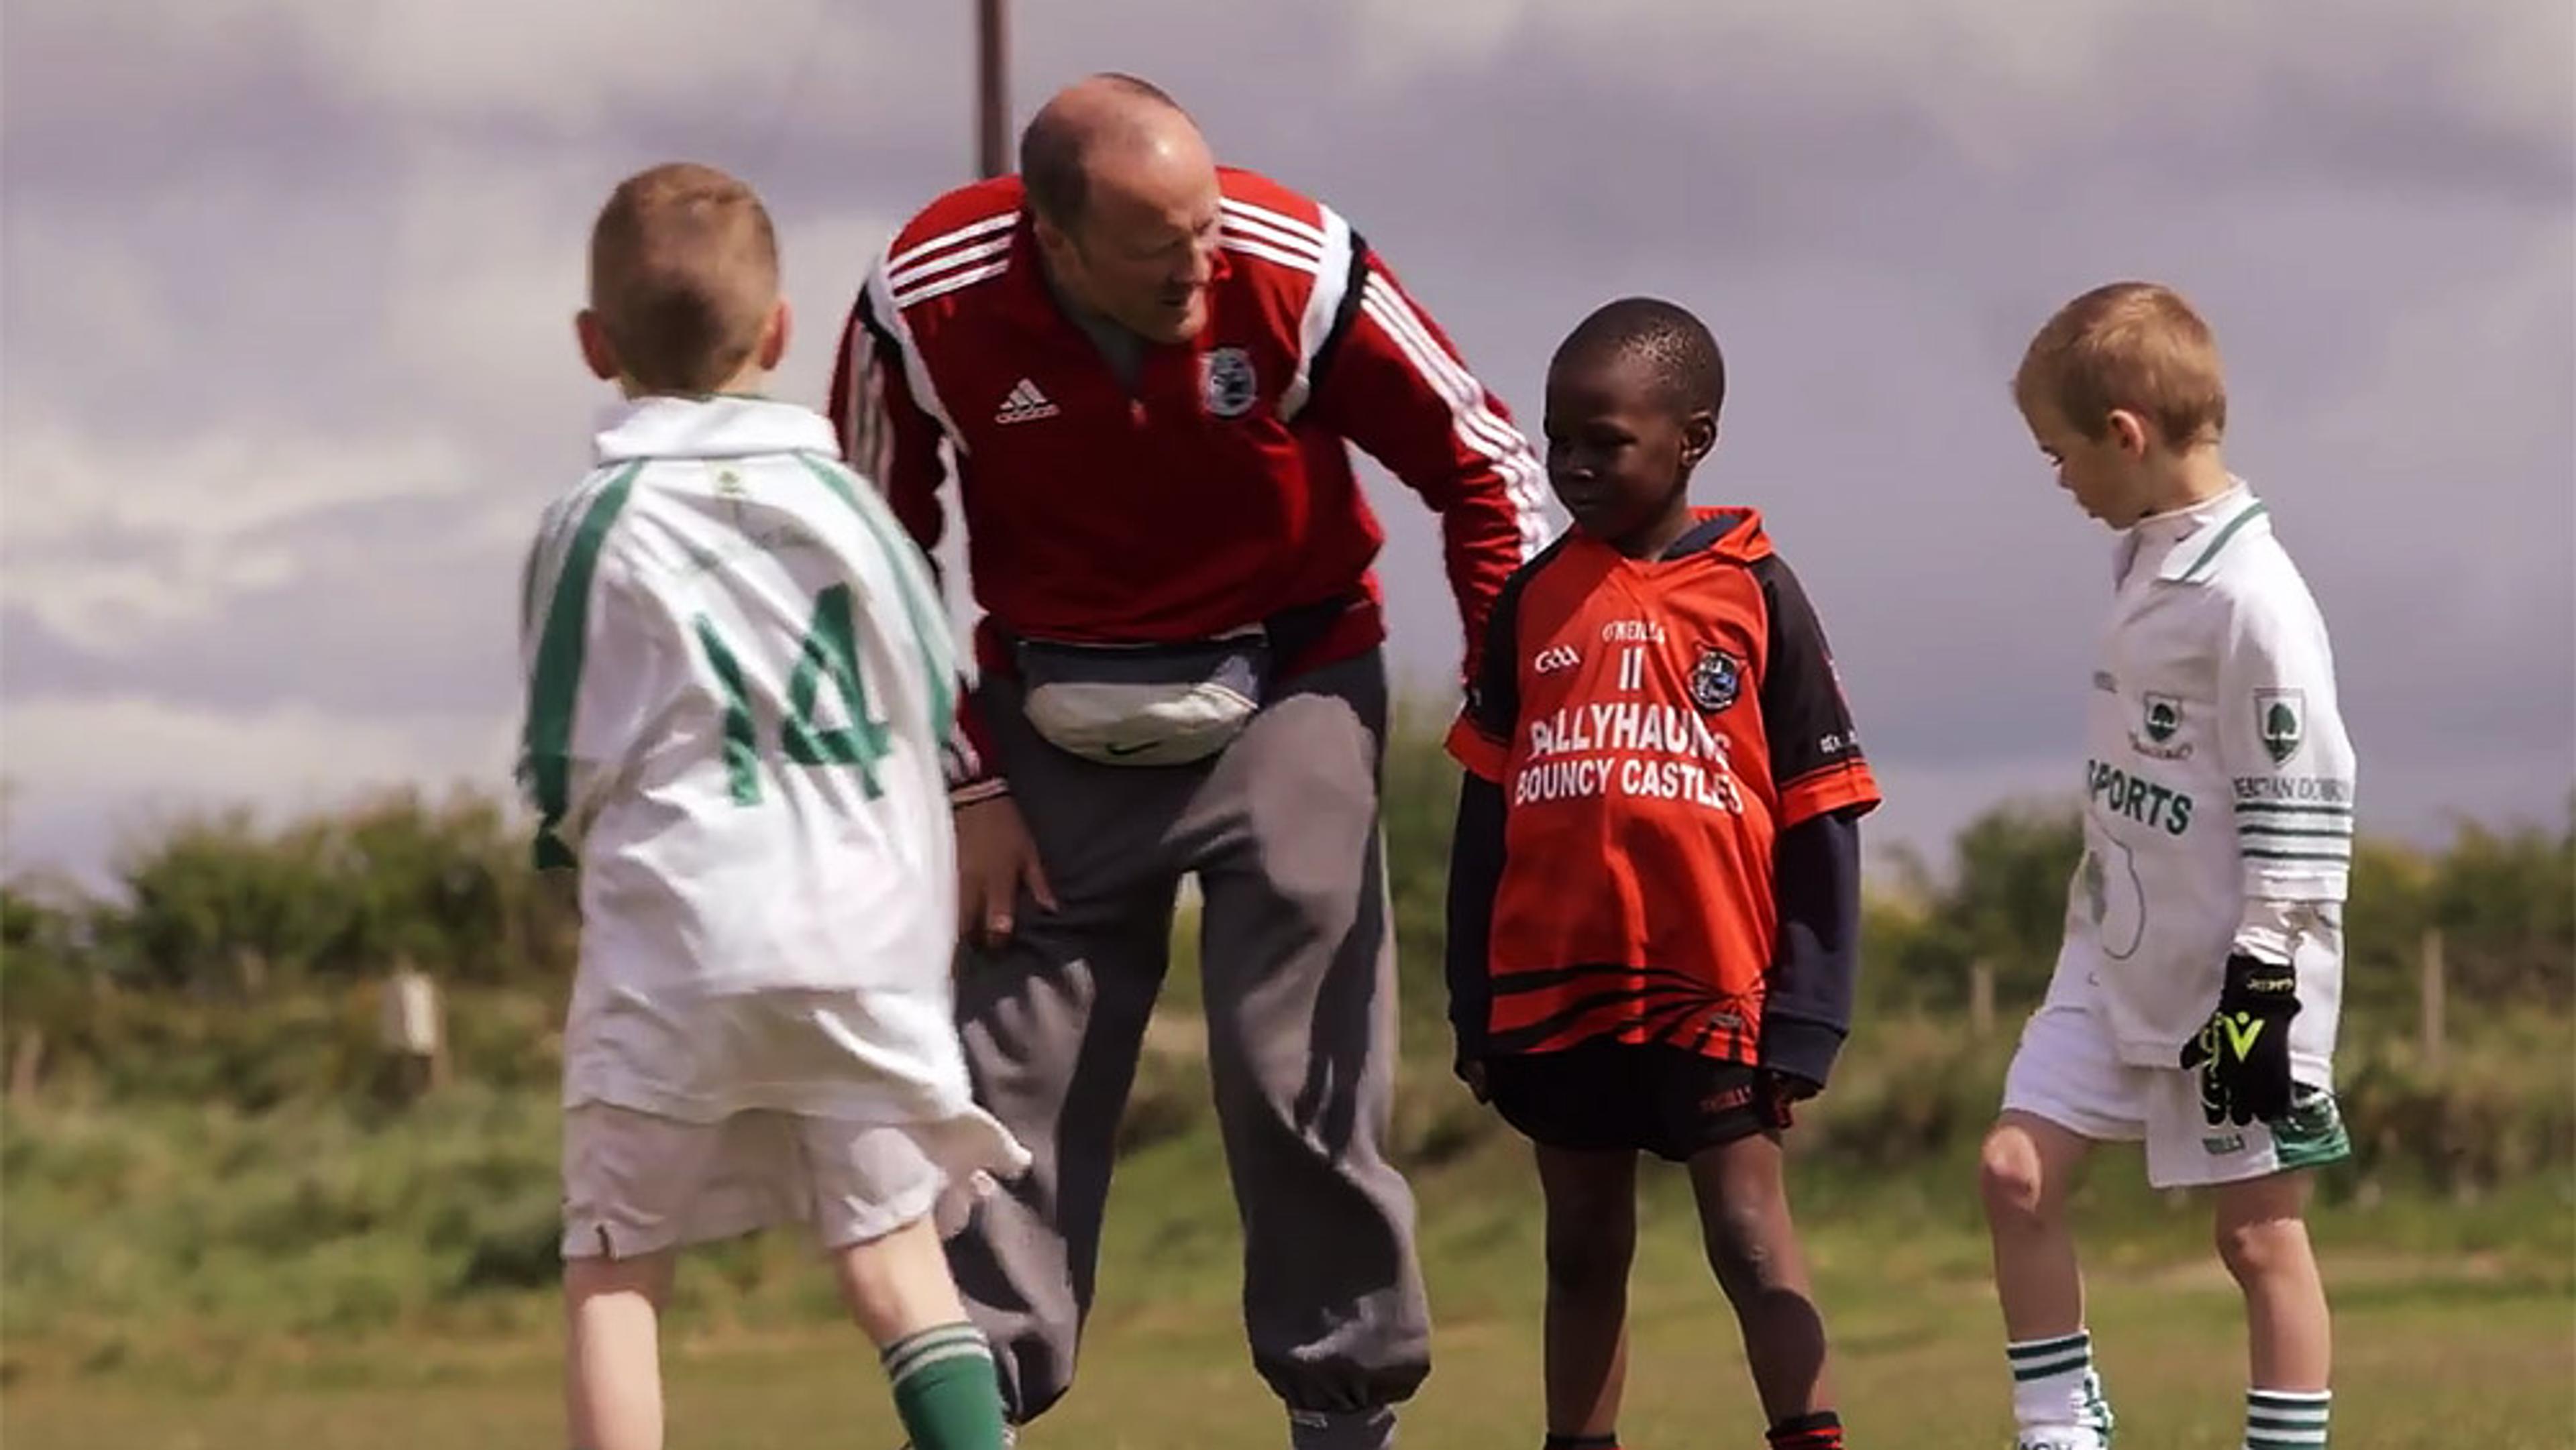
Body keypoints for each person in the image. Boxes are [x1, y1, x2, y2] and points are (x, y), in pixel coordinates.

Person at [826, 72, 1552, 1450]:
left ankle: (1348, 1416)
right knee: (1003, 1092)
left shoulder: (1297, 266)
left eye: (1208, 228)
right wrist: (962, 782)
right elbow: (868, 551)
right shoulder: (924, 298)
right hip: (1046, 712)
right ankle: (980, 1420)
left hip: (1291, 673)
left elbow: (1484, 460)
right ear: (1053, 236)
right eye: (1162, 250)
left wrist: (1507, 710)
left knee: (1301, 1079)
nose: (1201, 267)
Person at [517, 160, 1030, 1450]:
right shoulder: (856, 511)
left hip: (681, 934)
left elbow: (556, 749)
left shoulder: (596, 519)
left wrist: (549, 835)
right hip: (859, 935)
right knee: (896, 1261)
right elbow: (933, 693)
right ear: (781, 330)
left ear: (595, 346)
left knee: (617, 1270)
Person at [1444, 296, 1881, 1450]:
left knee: (1746, 1233)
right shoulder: (1530, 601)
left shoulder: (1756, 589)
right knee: (1581, 1245)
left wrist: (1810, 1012)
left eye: (1607, 439)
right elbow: (1482, 815)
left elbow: (1824, 813)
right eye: (1559, 438)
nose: (1575, 464)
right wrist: (1472, 1003)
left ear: (1693, 439)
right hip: (1553, 985)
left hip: (1713, 987)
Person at [1977, 281, 2357, 1450]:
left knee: (2255, 1238)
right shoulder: (2145, 556)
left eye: (2060, 454)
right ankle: (2061, 1432)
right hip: (2110, 957)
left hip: (2241, 979)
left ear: (2126, 436)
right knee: (2014, 1174)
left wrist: (2257, 997)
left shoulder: (2256, 601)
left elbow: (2305, 810)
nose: (2059, 481)